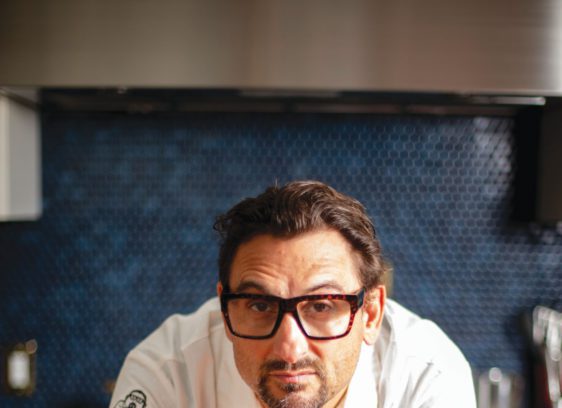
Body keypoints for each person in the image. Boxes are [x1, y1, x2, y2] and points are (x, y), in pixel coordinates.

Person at [110, 180, 476, 408]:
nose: (289, 349)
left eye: (321, 306)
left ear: (371, 314)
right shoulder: (168, 372)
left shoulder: (427, 377)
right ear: (224, 309)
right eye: (260, 305)